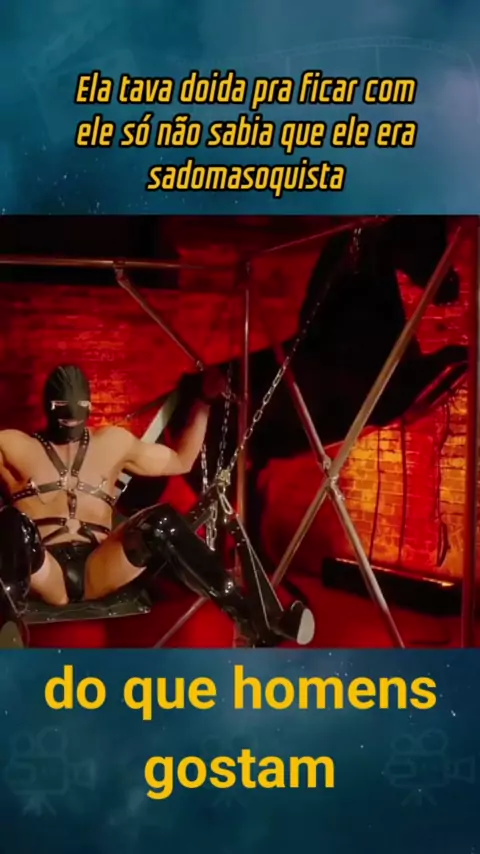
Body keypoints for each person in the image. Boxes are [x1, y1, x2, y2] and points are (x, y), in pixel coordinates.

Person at [0, 364, 314, 646]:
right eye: (60, 408)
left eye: (78, 408)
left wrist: (203, 401)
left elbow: (181, 460)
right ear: (48, 406)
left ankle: (252, 617)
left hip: (100, 564)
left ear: (89, 406)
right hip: (44, 568)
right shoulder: (14, 446)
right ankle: (6, 626)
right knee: (11, 522)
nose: (70, 416)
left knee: (161, 520)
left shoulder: (113, 443)